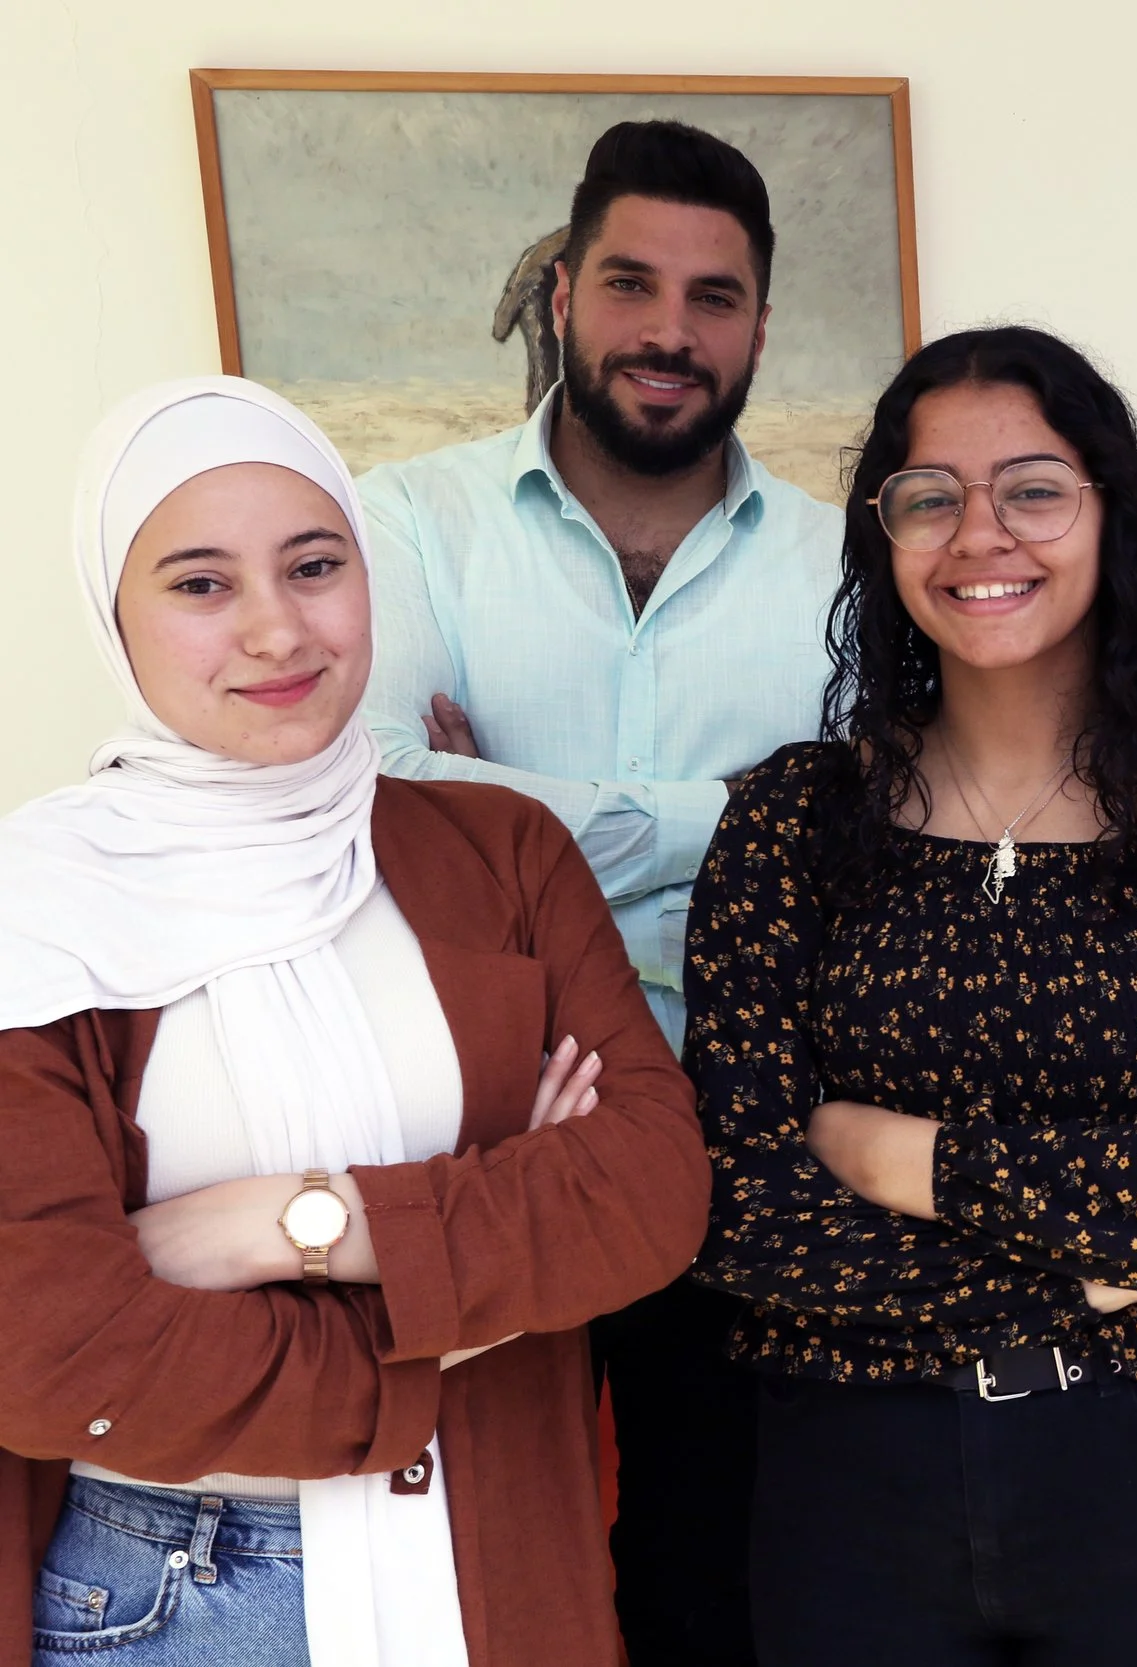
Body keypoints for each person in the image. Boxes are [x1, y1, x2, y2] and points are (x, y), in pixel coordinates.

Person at [0, 377, 711, 1667]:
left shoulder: (499, 854)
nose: (278, 629)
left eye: (314, 564)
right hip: (173, 1598)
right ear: (116, 615)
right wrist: (473, 1296)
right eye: (202, 584)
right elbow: (54, 1345)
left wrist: (271, 1226)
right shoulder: (33, 906)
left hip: (497, 1559)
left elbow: (649, 1191)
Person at [683, 325, 1137, 1667]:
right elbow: (736, 1203)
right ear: (884, 536)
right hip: (852, 1479)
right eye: (929, 495)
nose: (978, 532)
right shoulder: (789, 822)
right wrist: (1108, 1265)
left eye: (1034, 488)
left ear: (1112, 510)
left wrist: (902, 1152)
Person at [356, 119, 843, 1665]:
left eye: (716, 296)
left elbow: (874, 831)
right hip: (470, 1131)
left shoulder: (848, 573)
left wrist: (500, 810)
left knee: (722, 1571)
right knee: (494, 1564)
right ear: (562, 292)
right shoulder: (407, 528)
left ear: (761, 324)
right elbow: (367, 795)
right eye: (632, 282)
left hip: (755, 1142)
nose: (670, 331)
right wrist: (752, 813)